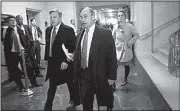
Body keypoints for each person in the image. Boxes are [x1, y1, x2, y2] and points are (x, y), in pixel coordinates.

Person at [73, 7, 117, 111]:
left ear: (93, 17)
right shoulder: (80, 34)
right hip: (84, 74)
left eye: (85, 16)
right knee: (86, 102)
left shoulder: (105, 33)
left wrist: (112, 76)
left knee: (103, 102)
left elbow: (111, 56)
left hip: (101, 74)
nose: (82, 19)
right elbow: (81, 52)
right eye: (81, 17)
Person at [44, 9, 76, 111]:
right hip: (52, 64)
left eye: (54, 17)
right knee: (52, 85)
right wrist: (47, 58)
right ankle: (48, 106)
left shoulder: (68, 30)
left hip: (65, 64)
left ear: (60, 18)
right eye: (51, 17)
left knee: (70, 84)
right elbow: (49, 46)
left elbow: (73, 47)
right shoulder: (48, 30)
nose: (52, 19)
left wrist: (66, 61)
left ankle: (72, 101)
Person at [4, 15, 42, 92]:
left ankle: (34, 83)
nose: (13, 21)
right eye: (11, 20)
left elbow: (25, 41)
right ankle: (20, 86)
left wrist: (28, 51)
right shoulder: (6, 31)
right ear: (8, 23)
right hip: (13, 54)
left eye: (14, 20)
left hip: (23, 52)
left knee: (30, 68)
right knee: (14, 70)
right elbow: (6, 45)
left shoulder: (20, 30)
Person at [112, 10, 139, 86]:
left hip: (126, 49)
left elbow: (136, 35)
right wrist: (113, 45)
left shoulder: (130, 26)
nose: (120, 17)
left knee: (126, 65)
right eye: (119, 16)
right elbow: (112, 37)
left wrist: (130, 43)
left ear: (125, 17)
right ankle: (113, 81)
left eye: (122, 15)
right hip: (117, 48)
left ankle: (125, 79)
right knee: (114, 66)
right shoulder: (115, 26)